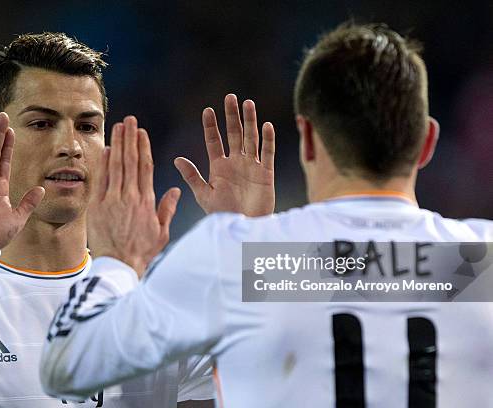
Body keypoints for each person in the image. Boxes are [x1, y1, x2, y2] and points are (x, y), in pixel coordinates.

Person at [40, 23, 493, 408]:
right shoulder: (482, 263)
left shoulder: (235, 260)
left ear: (308, 140)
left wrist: (117, 260)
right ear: (427, 142)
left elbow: (66, 365)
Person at [0, 32, 217, 407]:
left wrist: (254, 236)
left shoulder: (154, 301)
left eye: (87, 127)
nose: (70, 146)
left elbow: (284, 360)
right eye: (42, 123)